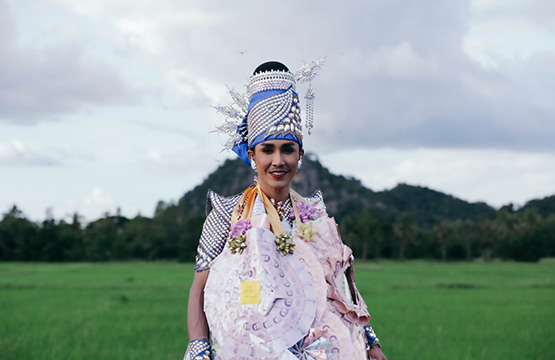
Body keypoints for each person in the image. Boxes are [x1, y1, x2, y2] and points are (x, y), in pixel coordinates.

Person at [185, 61, 387, 360]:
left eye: (287, 149)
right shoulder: (225, 213)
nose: (278, 160)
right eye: (268, 150)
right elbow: (201, 290)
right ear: (252, 155)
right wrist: (199, 349)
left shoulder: (314, 213)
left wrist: (371, 343)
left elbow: (342, 288)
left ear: (300, 155)